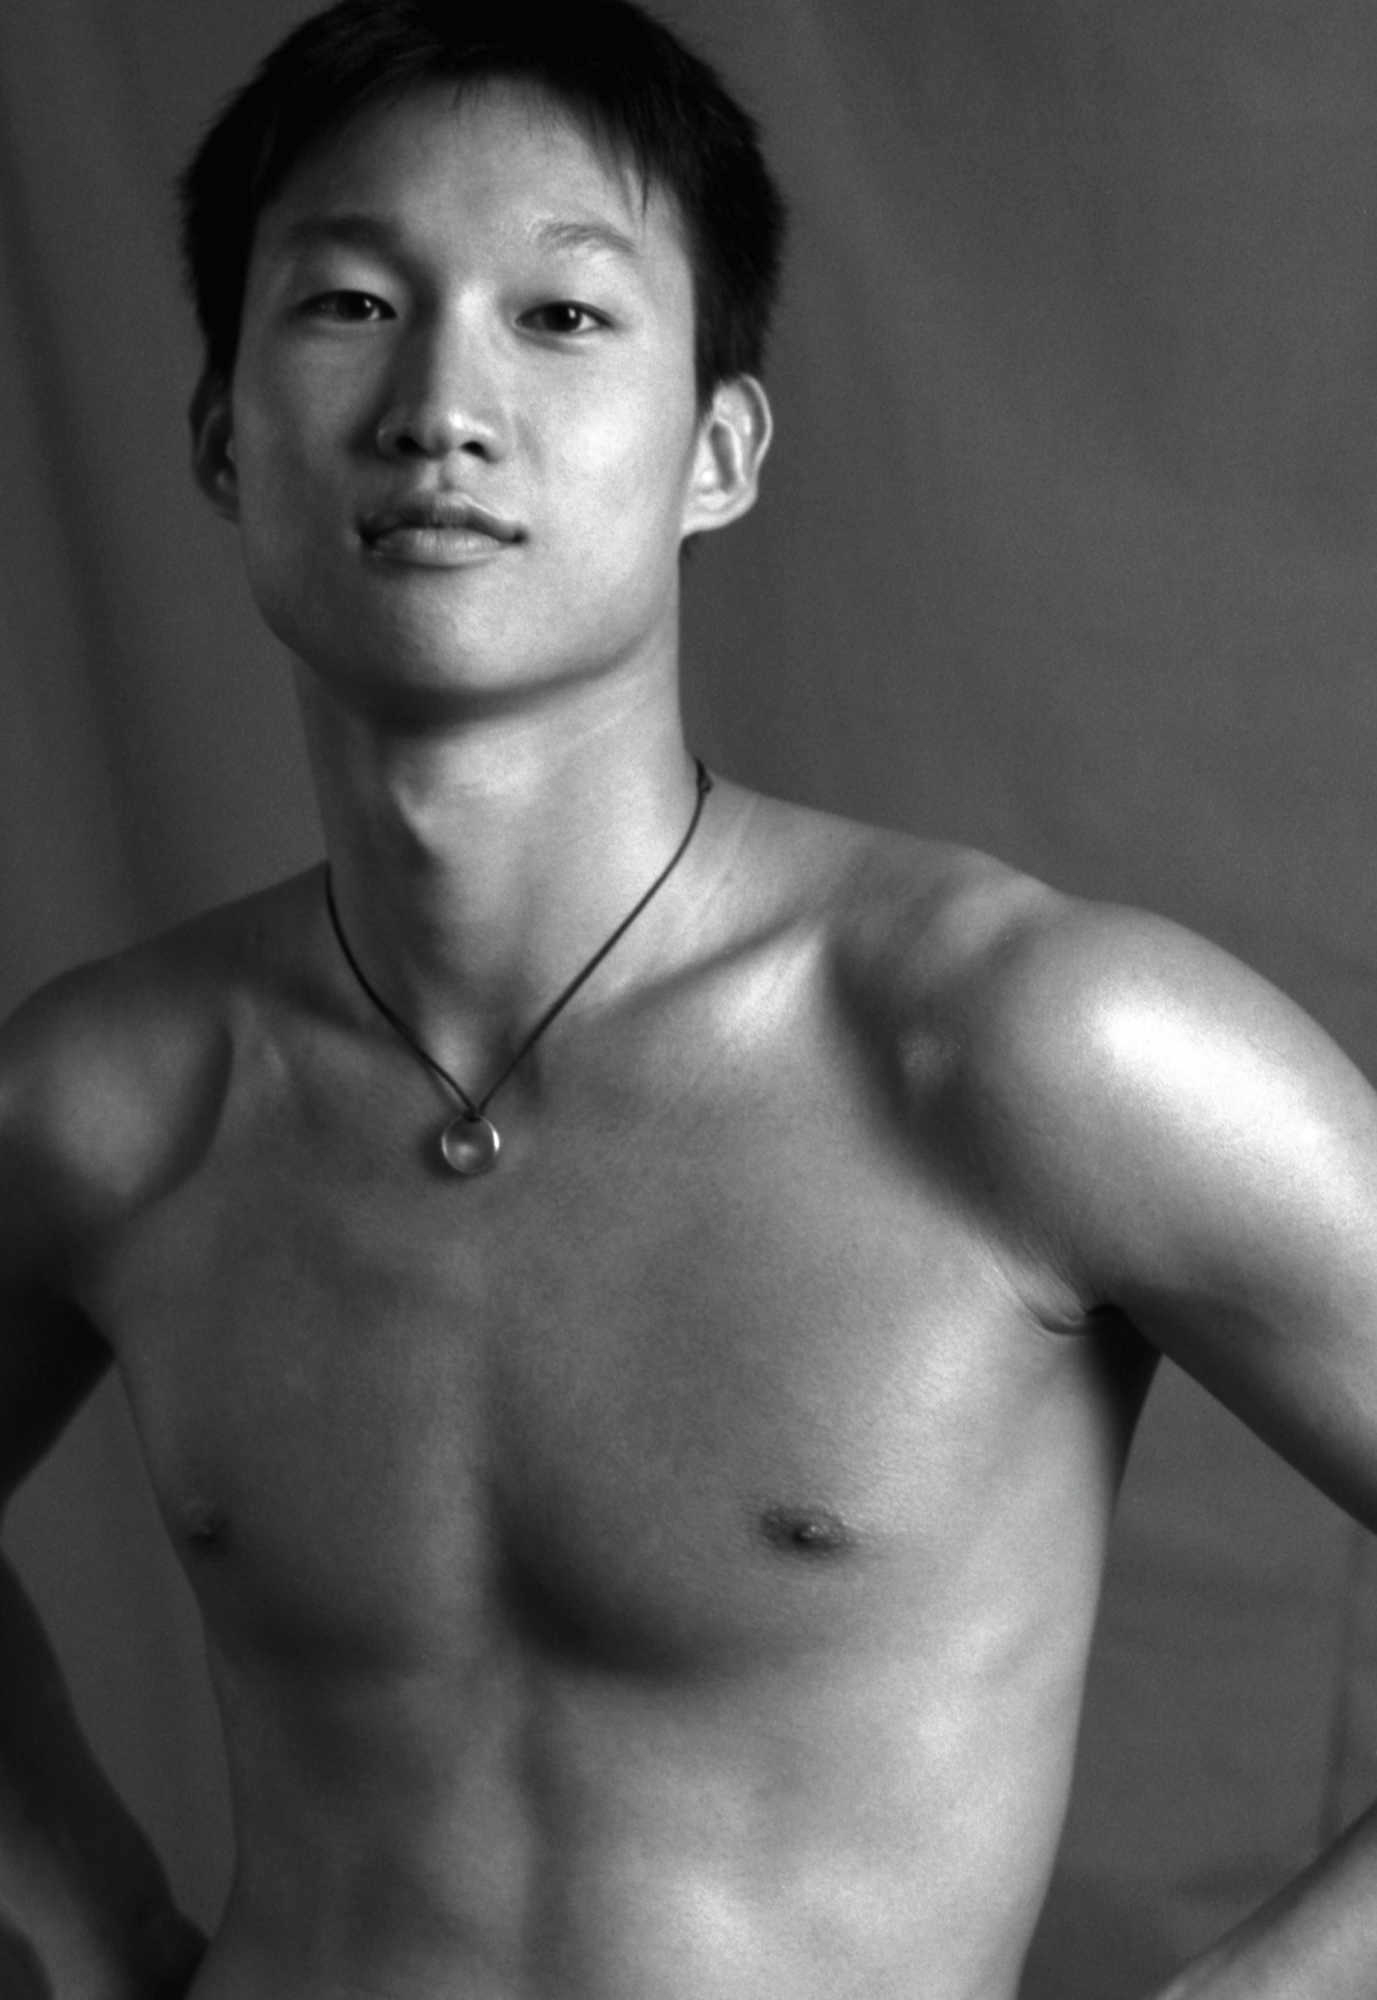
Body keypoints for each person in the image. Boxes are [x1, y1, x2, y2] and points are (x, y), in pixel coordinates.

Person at [2, 1, 1377, 1994]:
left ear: (716, 453)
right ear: (222, 436)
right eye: (349, 305)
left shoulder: (1015, 1045)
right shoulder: (114, 1102)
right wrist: (92, 1934)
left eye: (561, 316)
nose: (441, 405)